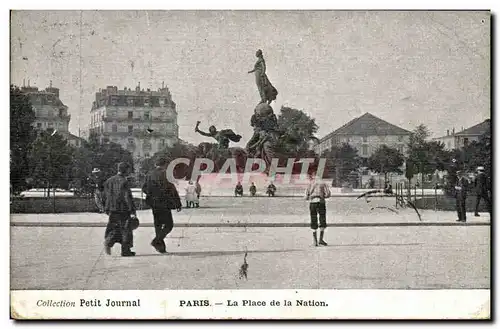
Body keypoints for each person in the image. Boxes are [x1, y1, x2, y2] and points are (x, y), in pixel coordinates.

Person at [142, 158, 182, 254]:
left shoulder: (149, 174)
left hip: (154, 203)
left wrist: (152, 195)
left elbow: (144, 188)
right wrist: (177, 203)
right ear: (165, 165)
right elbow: (172, 189)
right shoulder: (166, 174)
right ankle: (156, 241)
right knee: (169, 225)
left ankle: (161, 248)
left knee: (158, 225)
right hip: (164, 203)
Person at [103, 162, 137, 257]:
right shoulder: (124, 181)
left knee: (114, 227)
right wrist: (132, 210)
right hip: (123, 209)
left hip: (112, 209)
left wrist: (106, 207)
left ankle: (108, 241)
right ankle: (125, 251)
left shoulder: (109, 180)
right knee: (126, 229)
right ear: (125, 170)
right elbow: (127, 197)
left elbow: (106, 196)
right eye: (128, 170)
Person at [305, 173, 331, 246]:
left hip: (313, 203)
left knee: (313, 219)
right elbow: (328, 194)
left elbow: (306, 196)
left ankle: (315, 241)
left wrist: (311, 197)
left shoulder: (310, 183)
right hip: (321, 202)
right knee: (322, 219)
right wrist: (322, 196)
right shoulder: (323, 183)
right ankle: (321, 240)